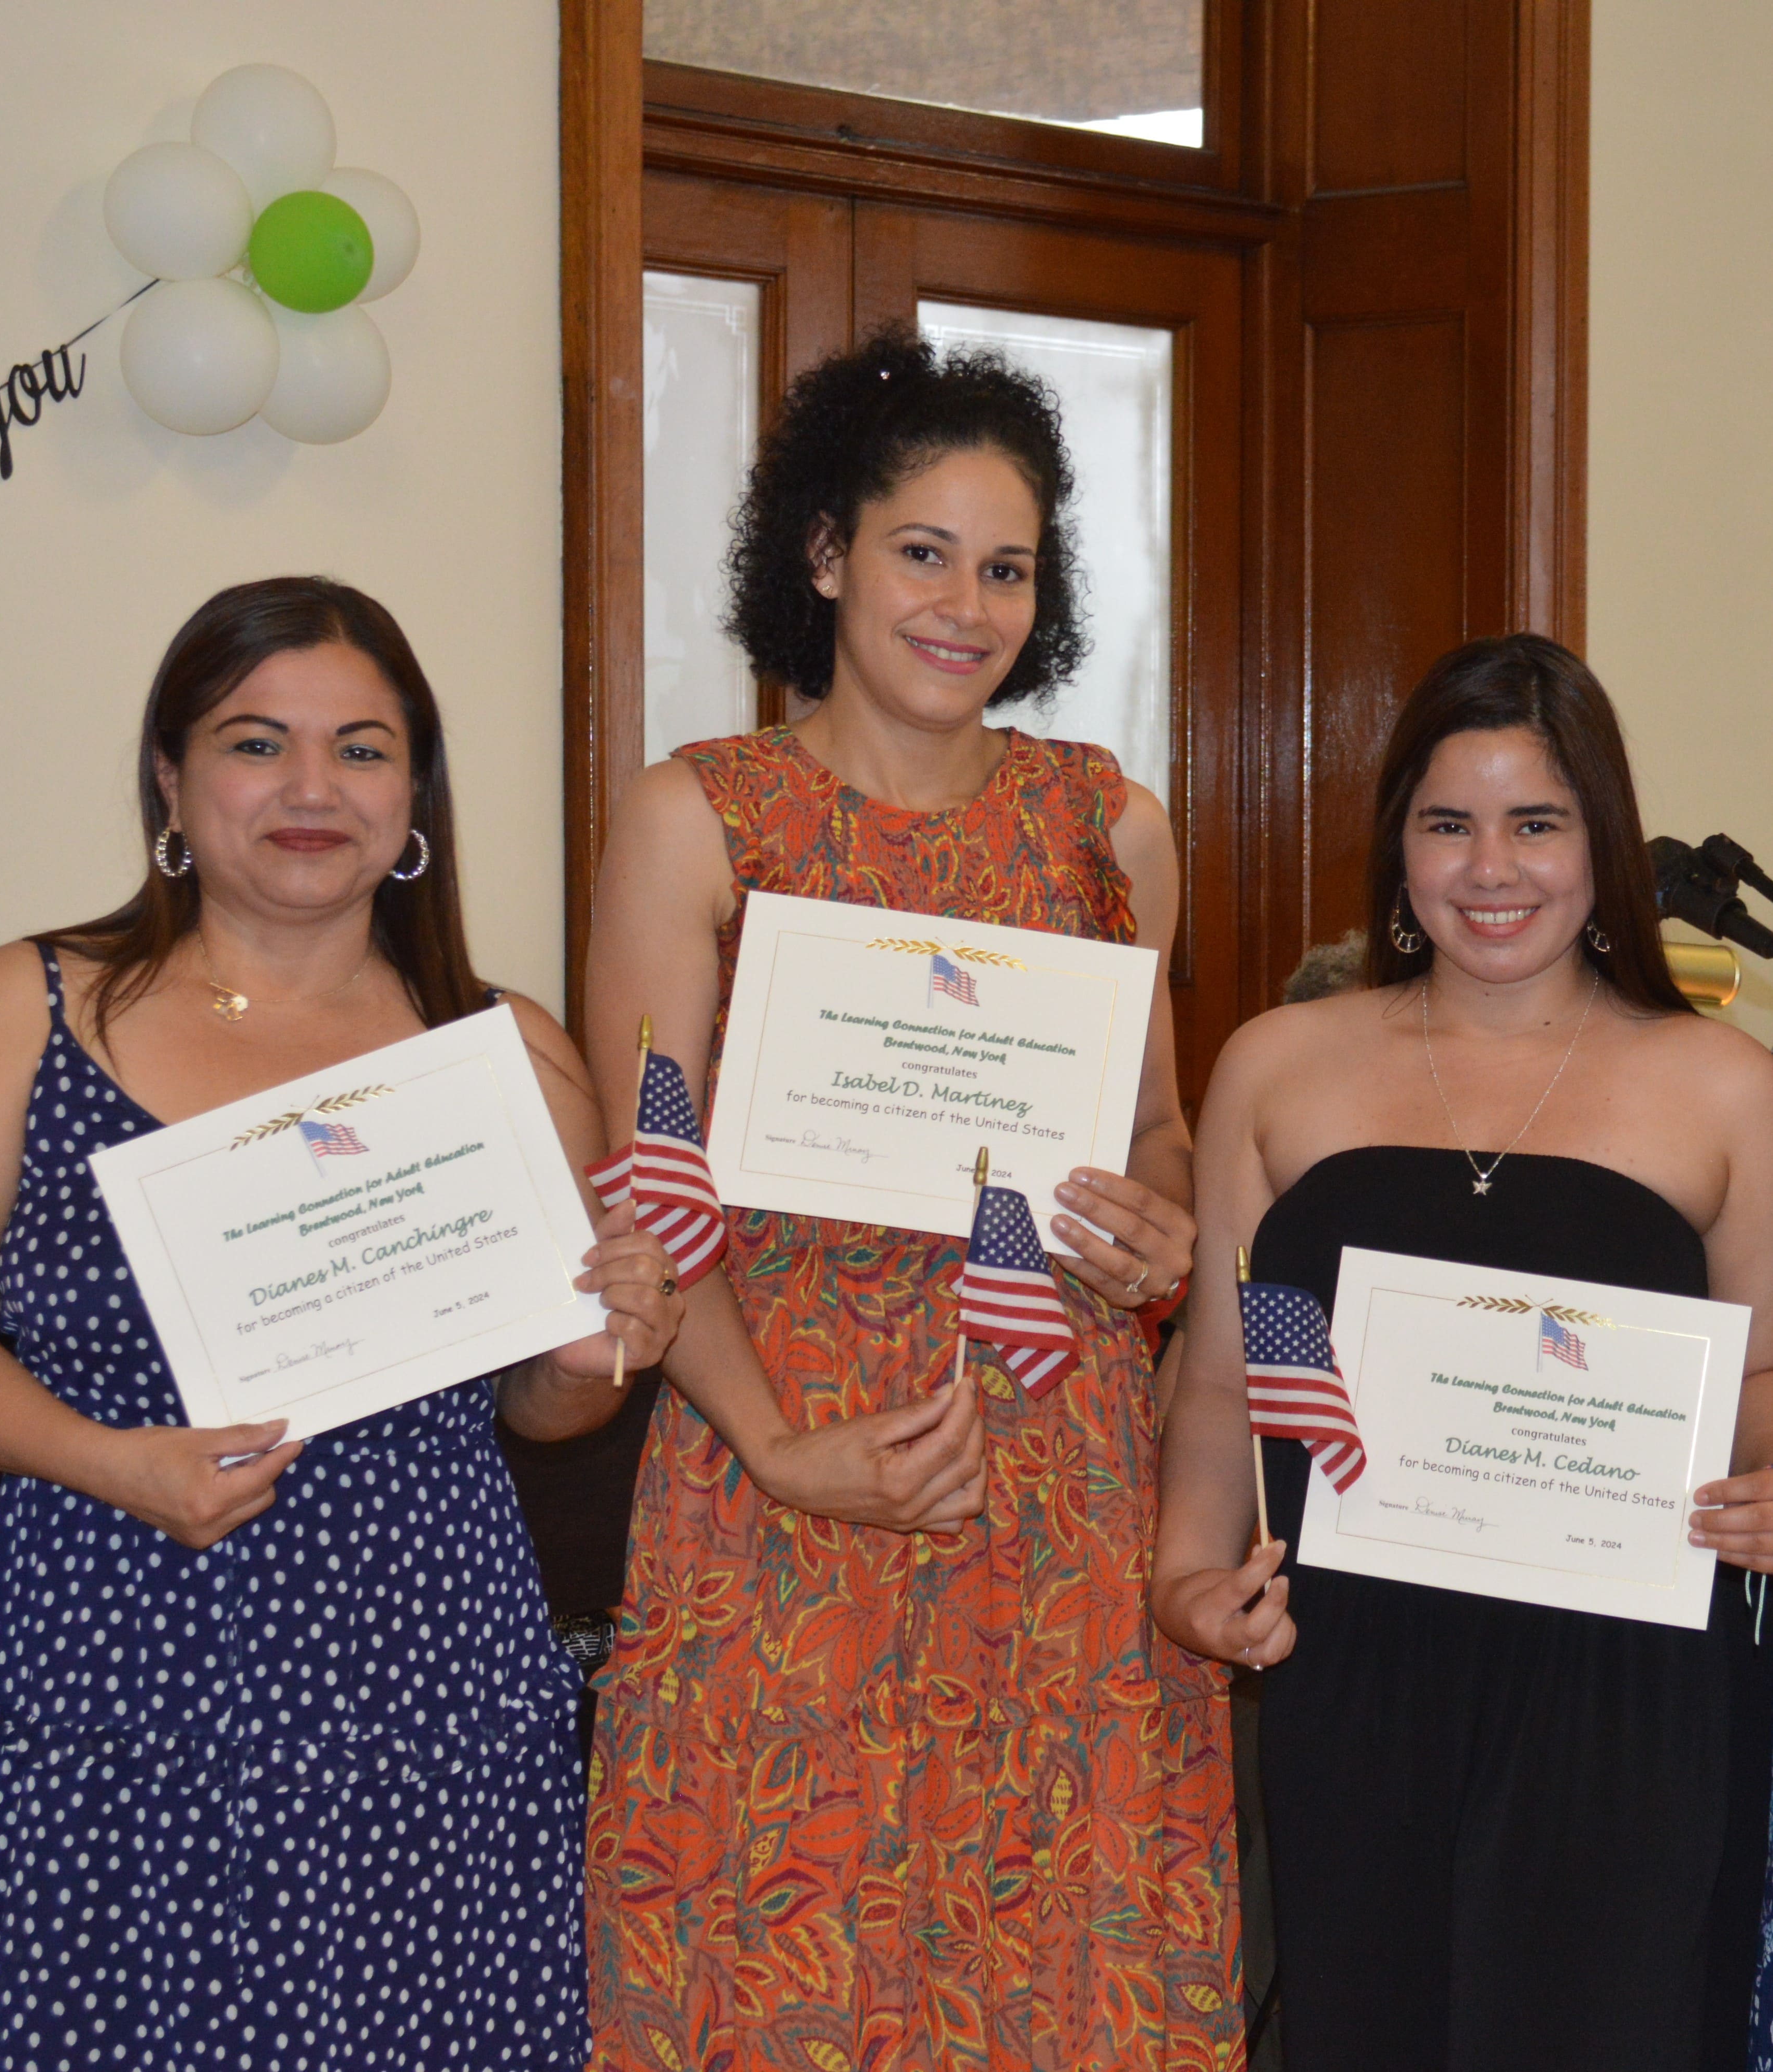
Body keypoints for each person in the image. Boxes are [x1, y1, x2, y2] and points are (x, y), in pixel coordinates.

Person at [0, 577, 683, 2072]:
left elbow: (546, 1409)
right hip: (115, 1658)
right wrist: (116, 1463)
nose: (314, 789)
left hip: (433, 1681)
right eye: (257, 744)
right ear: (172, 784)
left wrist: (598, 1347)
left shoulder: (505, 1049)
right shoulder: (27, 1006)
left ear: (416, 794)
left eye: (364, 750)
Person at [580, 328, 1240, 2071]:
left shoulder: (1111, 829)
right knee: (781, 1939)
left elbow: (1162, 1126)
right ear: (823, 556)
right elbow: (650, 1189)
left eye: (1007, 566)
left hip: (1053, 1468)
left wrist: (1157, 1228)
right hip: (779, 1455)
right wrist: (775, 1442)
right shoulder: (699, 820)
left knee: (1047, 1948)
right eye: (921, 552)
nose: (966, 604)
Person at [1153, 632, 1773, 2072]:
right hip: (1353, 1675)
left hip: (1626, 1692)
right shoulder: (1273, 1062)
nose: (1490, 868)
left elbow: (1760, 1373)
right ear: (1397, 846)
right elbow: (1218, 1373)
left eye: (1534, 823)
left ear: (1596, 841)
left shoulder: (1725, 1086)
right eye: (1448, 823)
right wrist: (1184, 1581)